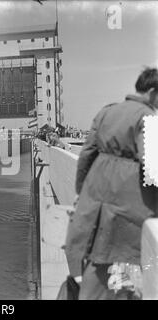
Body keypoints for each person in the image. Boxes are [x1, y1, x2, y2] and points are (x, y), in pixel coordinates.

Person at [64, 68, 158, 300]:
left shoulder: (107, 112)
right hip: (130, 202)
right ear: (154, 93)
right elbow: (154, 169)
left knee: (99, 264)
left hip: (96, 197)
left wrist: (83, 193)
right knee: (123, 266)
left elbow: (86, 155)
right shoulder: (148, 119)